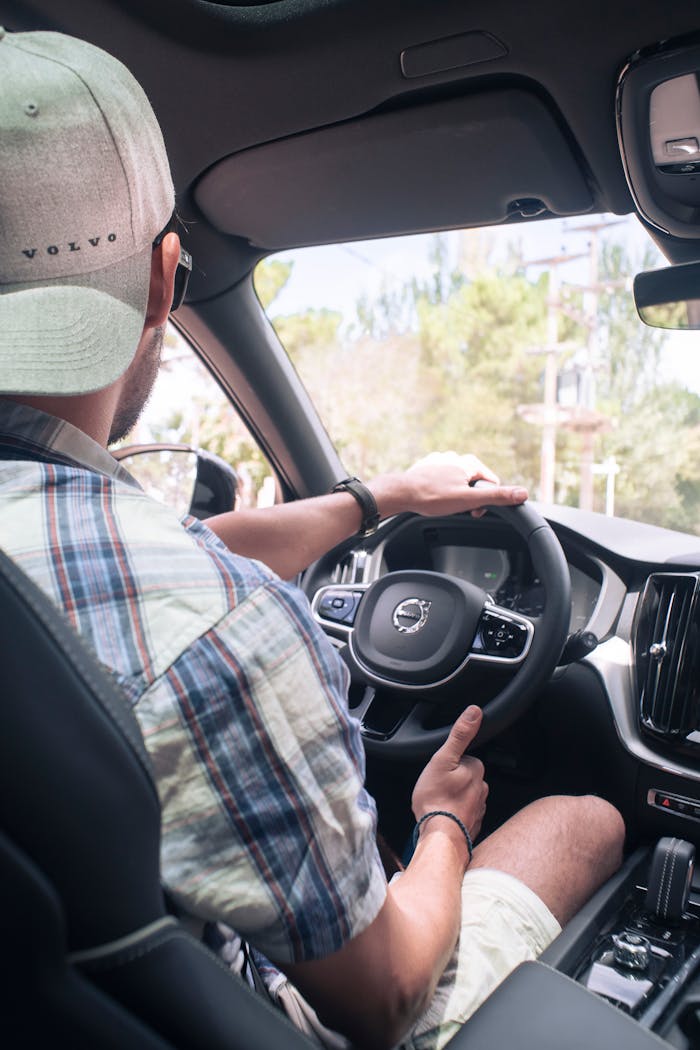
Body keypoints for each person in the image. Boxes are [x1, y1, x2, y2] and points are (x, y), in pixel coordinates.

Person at [0, 28, 625, 1050]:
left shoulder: (115, 564)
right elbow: (377, 998)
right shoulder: (220, 624)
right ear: (165, 284)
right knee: (583, 821)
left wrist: (378, 500)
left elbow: (158, 547)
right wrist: (440, 828)